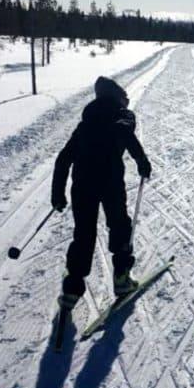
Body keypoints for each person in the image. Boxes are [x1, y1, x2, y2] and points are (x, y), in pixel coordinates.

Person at [51, 76, 152, 313]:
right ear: (117, 97)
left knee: (83, 234)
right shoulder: (121, 117)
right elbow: (128, 135)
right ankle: (122, 279)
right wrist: (142, 161)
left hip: (82, 184)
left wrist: (57, 194)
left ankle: (71, 290)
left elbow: (63, 159)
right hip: (110, 182)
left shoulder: (84, 125)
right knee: (119, 225)